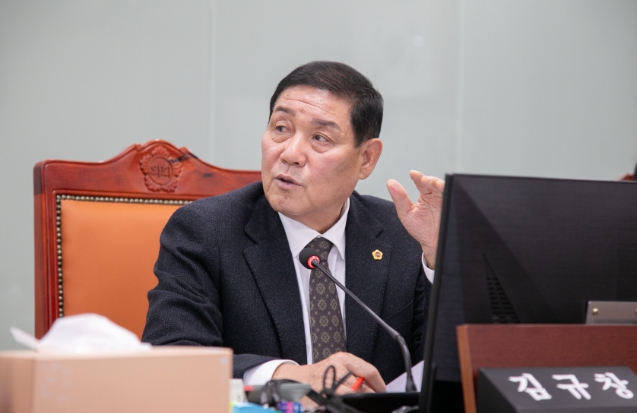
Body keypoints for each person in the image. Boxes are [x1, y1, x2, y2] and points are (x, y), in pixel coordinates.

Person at [142, 61, 445, 394]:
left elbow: (445, 372)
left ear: (367, 158)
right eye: (281, 128)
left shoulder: (404, 234)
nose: (290, 153)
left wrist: (440, 261)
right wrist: (288, 376)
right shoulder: (205, 232)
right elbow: (173, 357)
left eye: (320, 137)